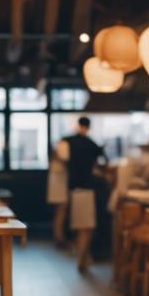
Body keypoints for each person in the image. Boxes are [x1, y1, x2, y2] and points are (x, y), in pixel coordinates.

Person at [56, 116, 107, 272]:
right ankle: (82, 259)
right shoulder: (91, 144)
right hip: (87, 187)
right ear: (88, 127)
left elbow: (61, 157)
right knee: (86, 226)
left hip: (72, 187)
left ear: (78, 125)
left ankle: (82, 257)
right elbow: (103, 163)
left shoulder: (67, 140)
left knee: (79, 223)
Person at [46, 146, 69, 248]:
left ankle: (59, 237)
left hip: (58, 189)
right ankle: (59, 238)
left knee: (59, 213)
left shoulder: (53, 163)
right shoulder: (58, 165)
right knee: (60, 213)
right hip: (59, 189)